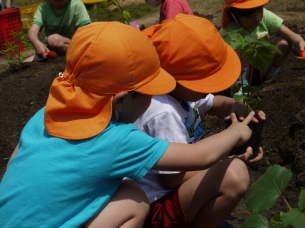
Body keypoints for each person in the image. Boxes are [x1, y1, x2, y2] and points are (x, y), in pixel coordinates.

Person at [0, 21, 255, 228]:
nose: (156, 97)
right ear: (121, 101)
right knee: (134, 201)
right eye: (150, 91)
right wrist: (236, 132)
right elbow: (201, 156)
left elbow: (15, 164)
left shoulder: (46, 114)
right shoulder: (116, 139)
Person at [134, 14, 266, 228]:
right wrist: (226, 153)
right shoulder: (163, 112)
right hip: (157, 207)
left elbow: (214, 103)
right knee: (234, 174)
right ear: (173, 78)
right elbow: (171, 178)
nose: (210, 87)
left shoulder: (182, 91)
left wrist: (238, 107)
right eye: (205, 81)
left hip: (175, 193)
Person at [219, 0, 305, 85]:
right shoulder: (228, 32)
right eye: (249, 17)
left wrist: (300, 43)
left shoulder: (264, 16)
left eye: (260, 11)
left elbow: (291, 35)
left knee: (284, 43)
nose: (257, 19)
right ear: (234, 16)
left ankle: (270, 78)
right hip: (236, 76)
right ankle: (242, 84)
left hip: (261, 69)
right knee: (243, 46)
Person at [26, 0, 91, 62]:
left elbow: (86, 32)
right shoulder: (43, 9)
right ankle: (58, 58)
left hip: (74, 45)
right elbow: (32, 31)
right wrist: (36, 43)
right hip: (52, 50)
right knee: (26, 62)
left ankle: (73, 56)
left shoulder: (76, 5)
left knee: (53, 39)